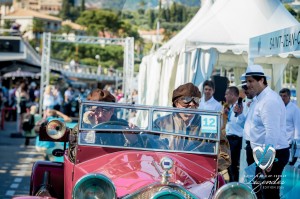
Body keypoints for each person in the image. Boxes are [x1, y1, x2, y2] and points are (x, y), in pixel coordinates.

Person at [153, 83, 231, 171]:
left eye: (196, 100)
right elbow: (146, 146)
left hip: (197, 178)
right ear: (176, 103)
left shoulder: (207, 124)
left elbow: (225, 155)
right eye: (186, 99)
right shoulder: (161, 123)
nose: (191, 104)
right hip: (165, 173)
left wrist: (207, 168)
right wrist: (135, 136)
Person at [242, 65, 289, 199]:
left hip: (273, 153)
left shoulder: (269, 101)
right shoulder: (260, 98)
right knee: (260, 191)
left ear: (261, 80)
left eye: (251, 81)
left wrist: (267, 161)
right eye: (247, 81)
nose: (248, 85)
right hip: (263, 152)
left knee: (269, 194)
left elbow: (272, 133)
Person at [224, 86, 244, 182]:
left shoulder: (240, 106)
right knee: (228, 164)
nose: (225, 96)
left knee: (232, 165)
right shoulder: (231, 107)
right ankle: (232, 182)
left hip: (235, 139)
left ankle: (234, 184)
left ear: (232, 95)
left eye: (227, 94)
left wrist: (239, 114)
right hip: (229, 138)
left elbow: (242, 122)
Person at [279, 88, 300, 165]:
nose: (282, 98)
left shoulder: (295, 109)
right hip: (279, 142)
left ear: (289, 97)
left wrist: (296, 145)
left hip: (290, 143)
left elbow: (297, 126)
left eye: (284, 96)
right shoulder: (278, 108)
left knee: (289, 166)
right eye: (280, 96)